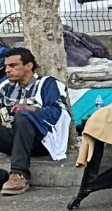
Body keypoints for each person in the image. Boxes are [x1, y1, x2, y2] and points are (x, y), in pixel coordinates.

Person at [0, 48, 71, 195]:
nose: (7, 70)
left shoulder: (47, 84)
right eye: (6, 66)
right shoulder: (5, 87)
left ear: (29, 66)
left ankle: (19, 175)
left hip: (41, 141)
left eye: (13, 66)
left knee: (22, 115)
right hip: (15, 140)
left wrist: (31, 109)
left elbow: (58, 113)